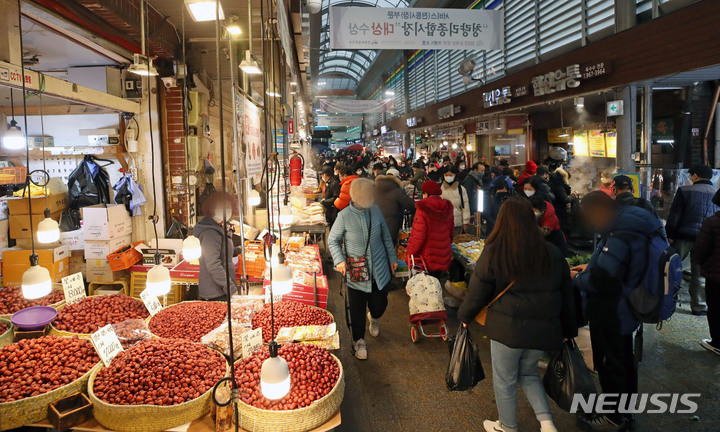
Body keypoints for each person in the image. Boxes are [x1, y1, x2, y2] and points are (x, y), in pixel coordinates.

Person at [458, 198, 576, 432]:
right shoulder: (552, 252)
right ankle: (547, 423)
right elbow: (567, 295)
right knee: (528, 373)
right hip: (542, 329)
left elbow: (477, 291)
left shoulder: (495, 251)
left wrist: (464, 316)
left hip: (507, 330)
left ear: (502, 221)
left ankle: (507, 426)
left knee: (505, 380)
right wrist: (569, 329)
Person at [572, 191, 664, 431]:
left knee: (610, 363)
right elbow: (613, 264)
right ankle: (625, 412)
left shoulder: (621, 231)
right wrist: (591, 266)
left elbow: (603, 282)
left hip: (612, 309)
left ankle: (612, 418)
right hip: (627, 305)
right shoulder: (633, 220)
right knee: (623, 359)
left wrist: (577, 278)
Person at [328, 178, 398, 360]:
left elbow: (386, 236)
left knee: (379, 303)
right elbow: (333, 240)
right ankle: (359, 339)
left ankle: (374, 317)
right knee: (357, 310)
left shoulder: (375, 211)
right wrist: (340, 261)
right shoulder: (344, 216)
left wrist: (392, 258)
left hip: (380, 269)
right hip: (356, 271)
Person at [666, 165, 719, 316]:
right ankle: (699, 306)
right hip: (706, 238)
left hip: (684, 236)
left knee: (673, 267)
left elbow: (675, 215)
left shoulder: (685, 190)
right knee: (699, 273)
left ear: (695, 176)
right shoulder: (716, 192)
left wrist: (670, 234)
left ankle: (669, 300)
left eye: (691, 176)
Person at [194, 192, 238, 301]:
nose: (225, 210)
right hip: (215, 292)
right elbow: (213, 264)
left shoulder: (218, 227)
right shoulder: (210, 233)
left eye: (227, 207)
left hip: (220, 289)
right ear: (212, 208)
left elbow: (221, 252)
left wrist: (239, 250)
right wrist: (230, 288)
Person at [406, 181, 454, 276]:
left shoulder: (423, 208)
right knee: (436, 284)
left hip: (428, 257)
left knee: (427, 287)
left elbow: (418, 236)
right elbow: (451, 232)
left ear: (426, 193)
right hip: (443, 254)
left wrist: (410, 253)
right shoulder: (447, 207)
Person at [694, 189, 720, 356]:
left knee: (716, 309)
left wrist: (700, 264)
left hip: (716, 275)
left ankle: (717, 343)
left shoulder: (713, 221)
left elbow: (701, 249)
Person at [374, 173, 416, 245]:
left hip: (374, 229)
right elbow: (412, 206)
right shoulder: (397, 192)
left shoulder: (373, 191)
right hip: (391, 228)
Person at [441, 166, 470, 235]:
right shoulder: (439, 189)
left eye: (450, 175)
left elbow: (465, 207)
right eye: (446, 175)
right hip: (443, 223)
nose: (448, 177)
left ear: (455, 175)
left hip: (457, 223)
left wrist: (465, 222)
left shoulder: (461, 189)